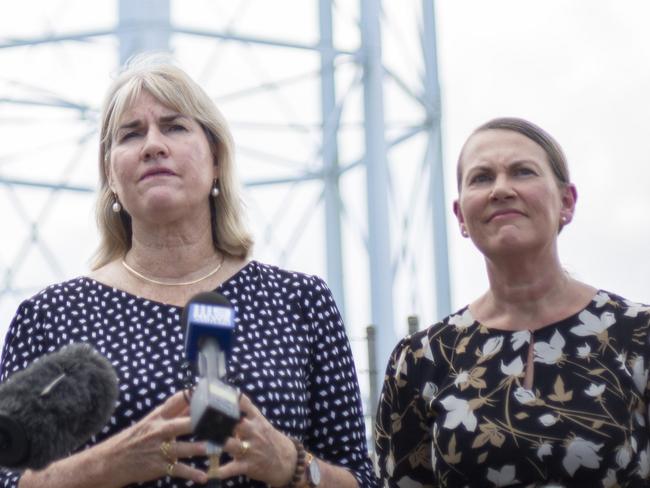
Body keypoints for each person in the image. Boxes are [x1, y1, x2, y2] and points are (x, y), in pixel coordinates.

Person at [0, 55, 377, 488]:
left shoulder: (300, 302)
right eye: (131, 134)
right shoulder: (51, 316)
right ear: (110, 174)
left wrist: (289, 462)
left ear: (216, 159)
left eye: (175, 126)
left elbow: (362, 479)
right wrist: (112, 462)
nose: (153, 145)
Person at [375, 117, 650, 487]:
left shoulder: (637, 337)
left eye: (522, 172)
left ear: (566, 201)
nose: (501, 189)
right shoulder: (422, 359)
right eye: (482, 178)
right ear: (461, 217)